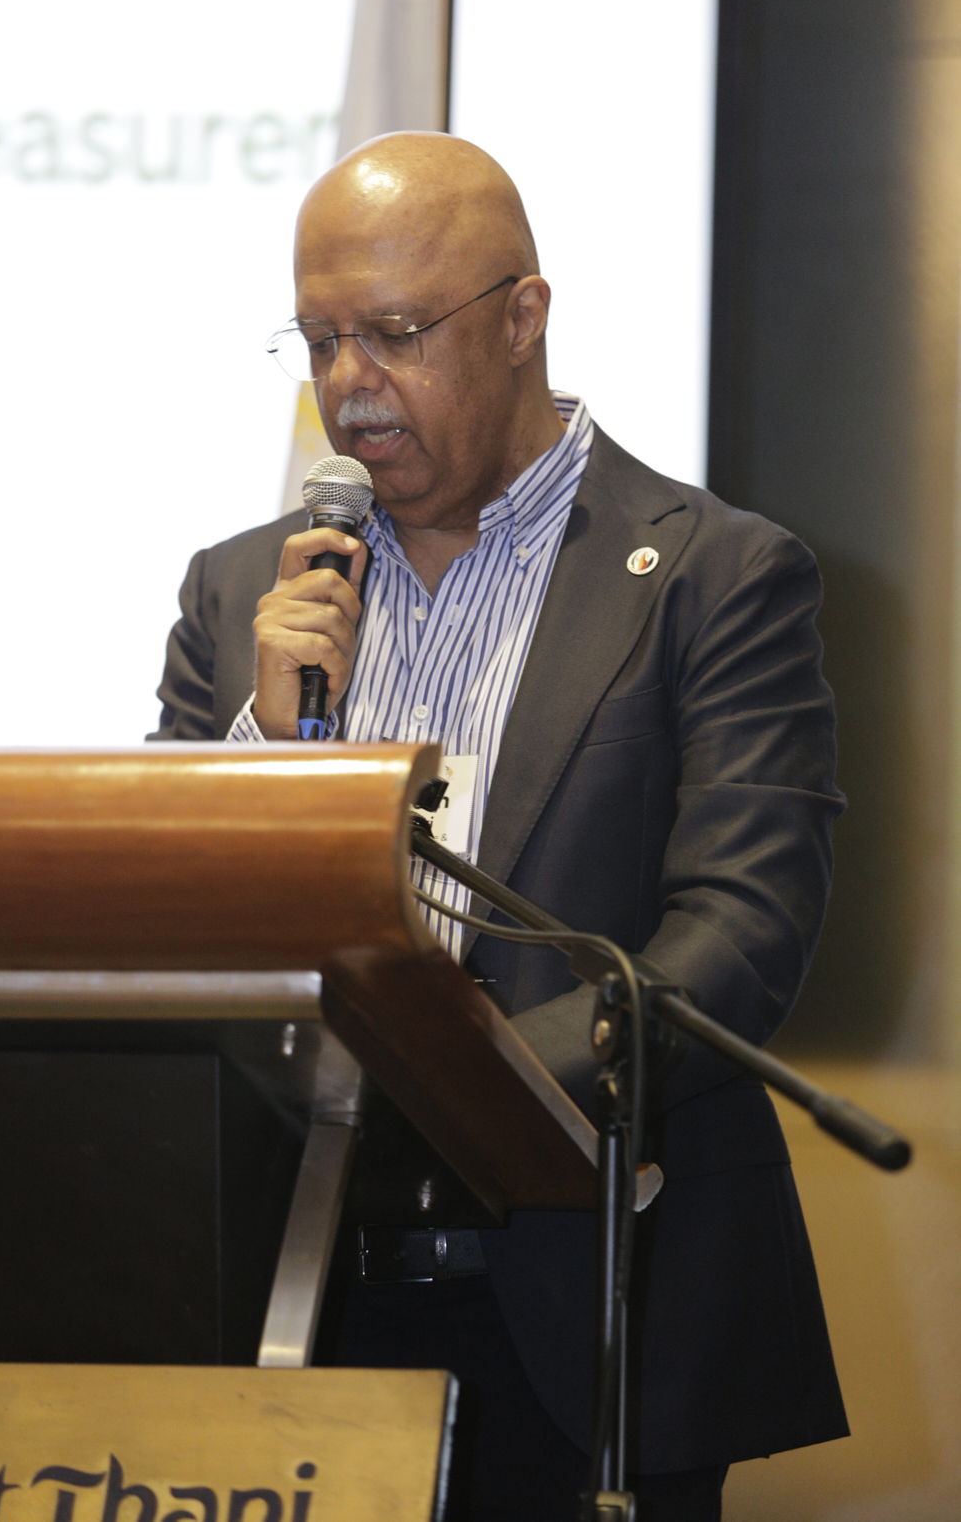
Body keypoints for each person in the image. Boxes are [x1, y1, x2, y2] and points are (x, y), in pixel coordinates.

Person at [150, 132, 848, 1521]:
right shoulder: (241, 597)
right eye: (320, 342)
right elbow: (160, 926)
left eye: (396, 334)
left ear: (524, 316)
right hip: (293, 1303)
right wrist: (264, 741)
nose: (351, 385)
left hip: (588, 1312)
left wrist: (458, 1093)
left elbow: (740, 932)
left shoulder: (713, 577)